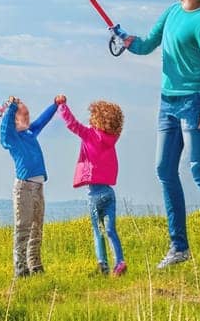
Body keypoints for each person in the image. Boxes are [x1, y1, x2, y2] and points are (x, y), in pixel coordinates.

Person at [122, 0, 200, 271]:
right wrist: (126, 39)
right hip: (167, 102)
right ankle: (179, 248)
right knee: (164, 169)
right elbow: (146, 44)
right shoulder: (171, 12)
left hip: (195, 101)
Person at [54, 94, 126, 275]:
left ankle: (102, 264)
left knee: (98, 230)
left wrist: (62, 105)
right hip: (109, 192)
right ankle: (119, 262)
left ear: (96, 118)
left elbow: (72, 124)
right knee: (110, 229)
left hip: (94, 193)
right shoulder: (113, 139)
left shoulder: (89, 134)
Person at [0, 95, 57, 277]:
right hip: (24, 188)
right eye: (23, 115)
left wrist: (55, 104)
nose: (28, 118)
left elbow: (43, 120)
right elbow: (4, 129)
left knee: (36, 227)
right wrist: (11, 107)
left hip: (38, 187)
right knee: (23, 227)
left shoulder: (30, 133)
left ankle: (36, 265)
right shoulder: (11, 138)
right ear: (14, 118)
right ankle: (21, 268)